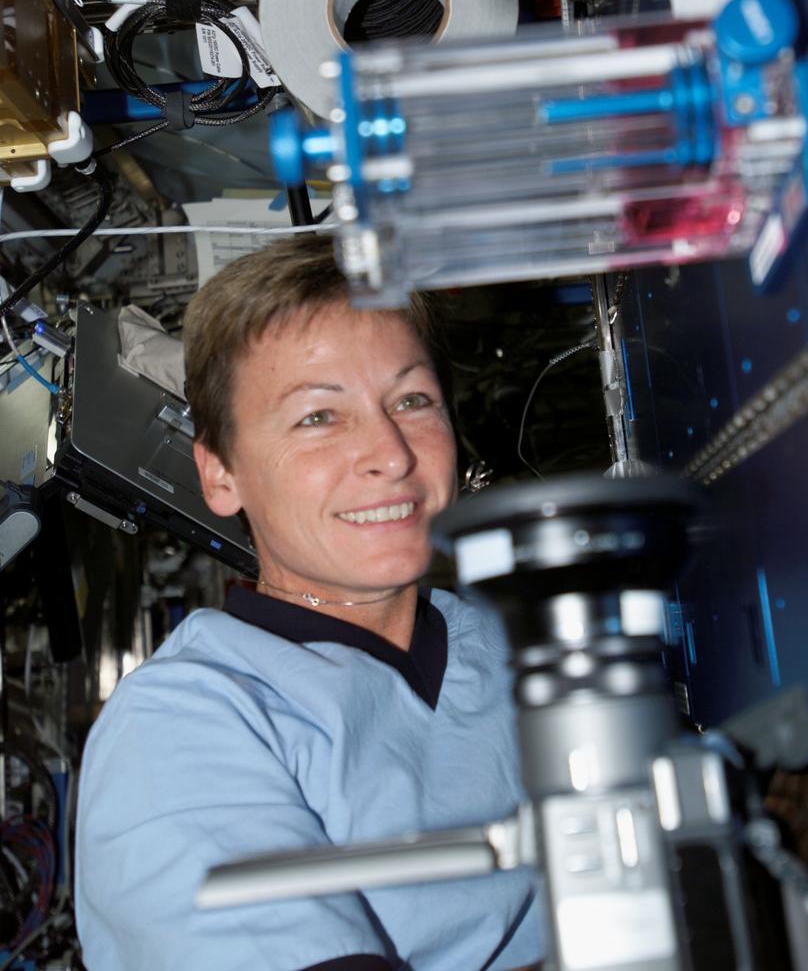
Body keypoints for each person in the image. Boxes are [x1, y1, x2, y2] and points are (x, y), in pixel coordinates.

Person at [75, 234, 544, 971]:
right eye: (318, 417)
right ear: (220, 474)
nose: (390, 452)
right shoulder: (180, 726)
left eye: (412, 399)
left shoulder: (515, 637)